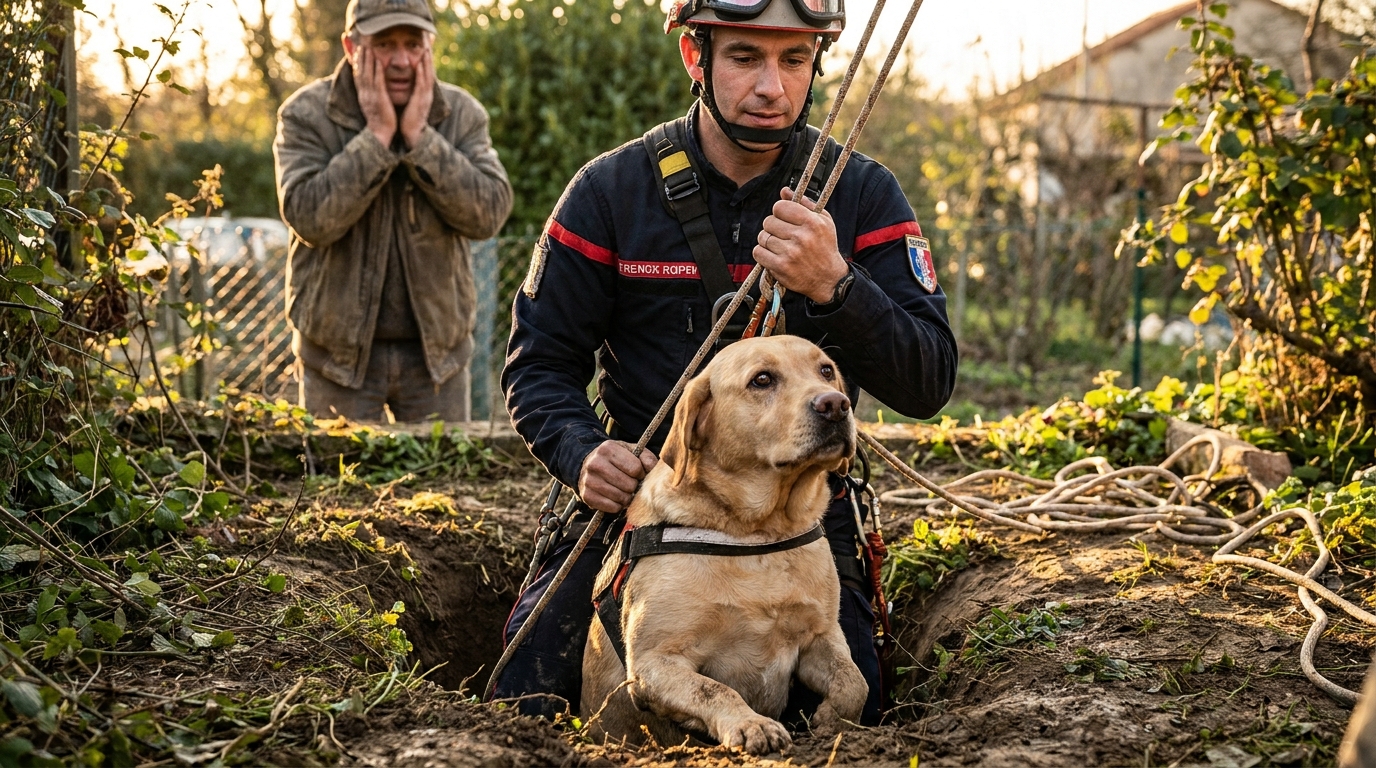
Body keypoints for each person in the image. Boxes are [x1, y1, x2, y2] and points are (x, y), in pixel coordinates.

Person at [494, 0, 958, 726]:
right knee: (524, 695)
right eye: (746, 57)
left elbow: (928, 380)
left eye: (795, 59)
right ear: (696, 59)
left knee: (858, 705)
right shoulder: (609, 194)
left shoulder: (863, 194)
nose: (772, 85)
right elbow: (538, 363)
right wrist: (584, 454)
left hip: (801, 512)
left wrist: (836, 286)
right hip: (641, 502)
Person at [274, 0, 512, 423]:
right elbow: (310, 218)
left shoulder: (460, 114)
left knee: (439, 486)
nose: (402, 60)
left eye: (413, 43)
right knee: (335, 488)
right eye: (385, 44)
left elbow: (489, 213)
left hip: (437, 361)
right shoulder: (306, 114)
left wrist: (421, 139)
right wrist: (378, 137)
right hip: (336, 362)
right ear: (352, 46)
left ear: (430, 46)